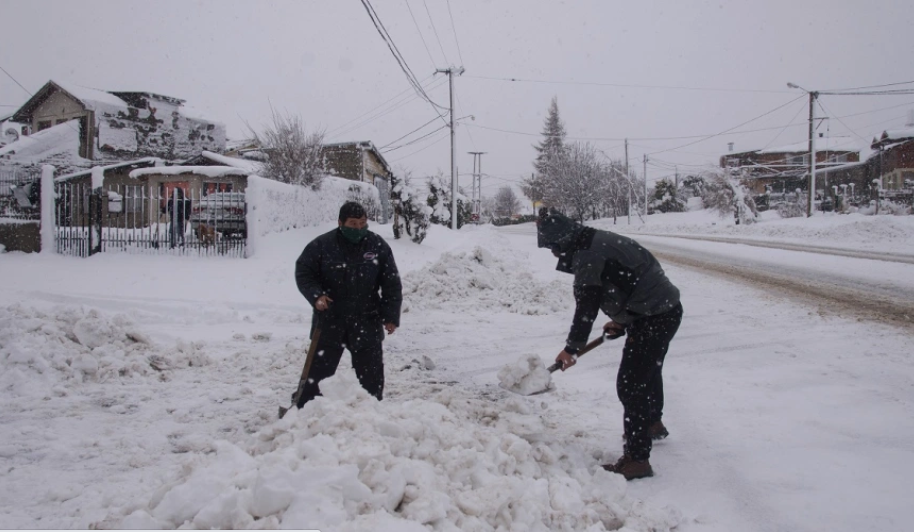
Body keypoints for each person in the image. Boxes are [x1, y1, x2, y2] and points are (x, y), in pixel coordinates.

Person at [537, 208, 682, 480]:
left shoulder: (587, 255)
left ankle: (637, 459)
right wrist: (624, 320)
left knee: (631, 384)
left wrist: (572, 348)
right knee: (648, 371)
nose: (553, 254)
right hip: (662, 310)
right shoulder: (594, 240)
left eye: (553, 247)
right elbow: (627, 279)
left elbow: (587, 306)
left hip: (653, 315)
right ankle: (652, 423)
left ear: (563, 241)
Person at [293, 201, 402, 407]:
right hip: (331, 319)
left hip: (367, 319)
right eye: (353, 224)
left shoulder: (377, 245)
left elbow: (391, 283)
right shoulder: (322, 245)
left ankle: (371, 410)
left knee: (371, 379)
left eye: (362, 223)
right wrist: (316, 296)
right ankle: (305, 409)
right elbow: (304, 272)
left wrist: (390, 315)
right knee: (317, 376)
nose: (358, 228)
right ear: (340, 223)